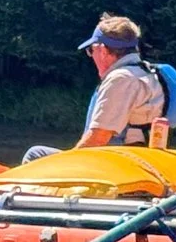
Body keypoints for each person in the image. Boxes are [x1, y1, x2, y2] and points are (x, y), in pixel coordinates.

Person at [72, 15, 170, 149]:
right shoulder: (146, 71)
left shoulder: (121, 79)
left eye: (91, 50)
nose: (91, 56)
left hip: (115, 158)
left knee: (36, 153)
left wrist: (68, 160)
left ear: (103, 50)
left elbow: (99, 138)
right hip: (141, 151)